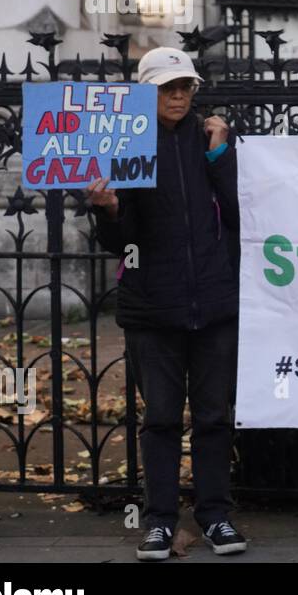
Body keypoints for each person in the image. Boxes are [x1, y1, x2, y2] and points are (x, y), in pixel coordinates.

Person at [86, 46, 247, 561]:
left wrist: (219, 155)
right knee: (159, 418)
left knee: (213, 418)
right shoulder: (124, 143)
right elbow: (122, 239)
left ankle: (215, 516)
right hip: (153, 309)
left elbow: (241, 214)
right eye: (167, 88)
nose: (178, 96)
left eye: (185, 87)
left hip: (213, 305)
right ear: (146, 92)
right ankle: (158, 521)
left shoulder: (212, 139)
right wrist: (108, 211)